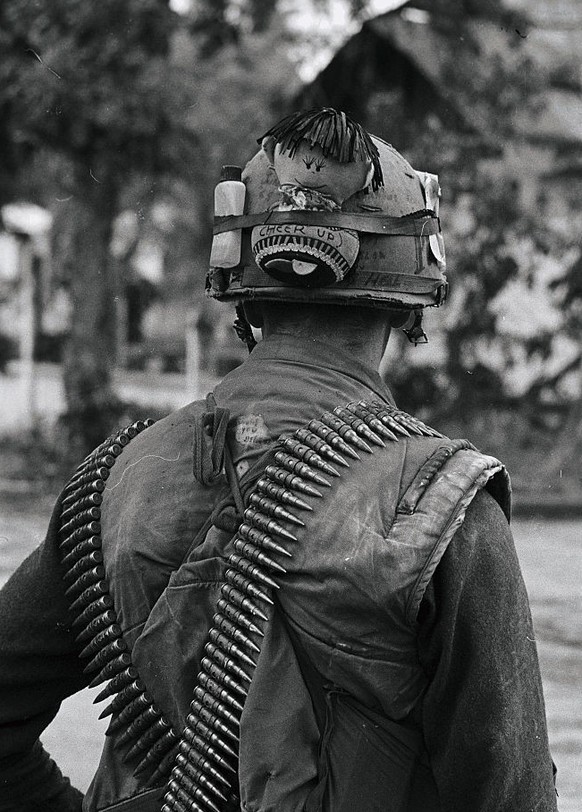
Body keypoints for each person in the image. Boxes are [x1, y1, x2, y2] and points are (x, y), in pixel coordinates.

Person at [0, 109, 557, 812]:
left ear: (240, 280)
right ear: (412, 290)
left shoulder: (115, 481)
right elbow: (509, 794)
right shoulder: (444, 503)